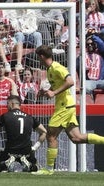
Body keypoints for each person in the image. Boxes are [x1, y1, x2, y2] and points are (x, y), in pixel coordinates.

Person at [33, 45, 104, 175]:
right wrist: (45, 92)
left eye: (38, 58)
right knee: (76, 138)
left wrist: (54, 93)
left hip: (64, 106)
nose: (38, 60)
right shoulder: (49, 70)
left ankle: (49, 169)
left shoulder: (57, 67)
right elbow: (58, 86)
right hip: (65, 105)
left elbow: (71, 81)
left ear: (42, 57)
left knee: (51, 134)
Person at [0, 95, 47, 172]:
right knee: (36, 167)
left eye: (7, 104)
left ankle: (6, 164)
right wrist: (35, 147)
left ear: (11, 104)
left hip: (10, 150)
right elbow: (44, 132)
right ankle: (29, 166)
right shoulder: (30, 117)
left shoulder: (5, 116)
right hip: (26, 150)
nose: (6, 106)